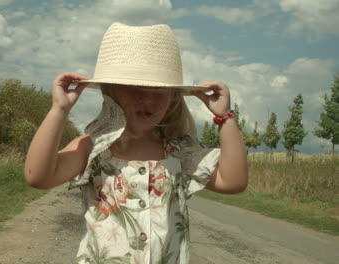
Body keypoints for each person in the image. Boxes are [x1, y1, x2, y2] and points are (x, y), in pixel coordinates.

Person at [25, 22, 248, 264]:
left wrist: (225, 117)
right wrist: (59, 109)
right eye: (133, 88)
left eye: (159, 91)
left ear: (173, 98)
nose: (147, 98)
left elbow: (233, 181)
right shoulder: (93, 147)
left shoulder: (181, 150)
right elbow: (38, 177)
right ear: (111, 92)